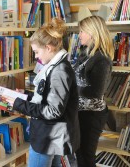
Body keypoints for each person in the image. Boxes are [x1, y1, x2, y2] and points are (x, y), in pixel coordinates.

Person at [11, 18, 80, 167]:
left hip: (48, 137)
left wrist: (18, 104)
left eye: (36, 52)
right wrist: (25, 95)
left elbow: (53, 111)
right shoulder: (55, 66)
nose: (36, 57)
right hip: (51, 136)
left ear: (48, 48)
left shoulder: (59, 71)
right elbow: (48, 97)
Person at [73, 15, 114, 167]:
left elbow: (96, 92)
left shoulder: (101, 59)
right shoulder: (85, 54)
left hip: (92, 115)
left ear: (92, 33)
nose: (79, 35)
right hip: (80, 112)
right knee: (80, 155)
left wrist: (72, 89)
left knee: (86, 157)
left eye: (82, 31)